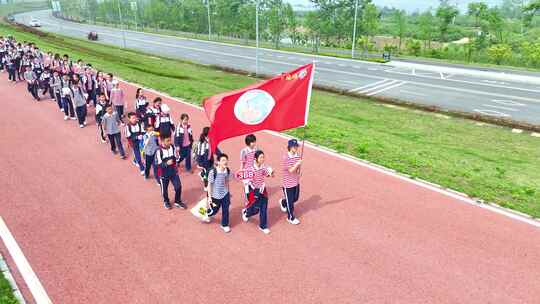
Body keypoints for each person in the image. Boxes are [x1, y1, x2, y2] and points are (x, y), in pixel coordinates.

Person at [242, 150, 274, 234]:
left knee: (264, 207)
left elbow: (267, 174)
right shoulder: (250, 169)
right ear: (255, 159)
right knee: (255, 210)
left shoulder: (263, 166)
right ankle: (246, 212)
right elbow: (245, 181)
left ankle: (263, 226)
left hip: (262, 190)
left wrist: (271, 173)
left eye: (263, 157)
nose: (263, 159)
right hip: (253, 190)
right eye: (261, 157)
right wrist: (249, 186)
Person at [156, 135, 186, 210]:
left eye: (170, 140)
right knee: (164, 190)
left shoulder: (172, 147)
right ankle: (166, 201)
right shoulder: (158, 151)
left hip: (173, 171)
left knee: (178, 186)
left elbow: (176, 157)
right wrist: (166, 163)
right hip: (163, 174)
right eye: (167, 141)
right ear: (162, 141)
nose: (170, 142)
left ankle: (177, 201)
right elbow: (158, 164)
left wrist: (178, 157)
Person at [205, 153, 232, 233]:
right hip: (215, 195)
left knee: (226, 209)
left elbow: (226, 181)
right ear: (218, 162)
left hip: (224, 193)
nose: (225, 162)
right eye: (223, 160)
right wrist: (210, 197)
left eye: (226, 160)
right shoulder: (213, 172)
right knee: (214, 210)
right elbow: (209, 185)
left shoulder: (227, 170)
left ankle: (224, 224)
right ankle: (207, 214)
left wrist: (228, 192)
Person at [279, 139, 303, 225]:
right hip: (288, 184)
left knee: (295, 198)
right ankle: (290, 217)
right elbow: (291, 170)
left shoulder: (298, 156)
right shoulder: (286, 158)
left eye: (297, 146)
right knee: (290, 203)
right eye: (294, 146)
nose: (296, 148)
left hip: (296, 182)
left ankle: (283, 202)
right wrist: (297, 164)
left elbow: (296, 170)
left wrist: (299, 172)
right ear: (290, 147)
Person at [194, 127, 213, 191]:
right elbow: (201, 155)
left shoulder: (209, 140)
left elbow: (214, 148)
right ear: (207, 134)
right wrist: (203, 164)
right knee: (207, 174)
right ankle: (206, 185)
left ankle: (202, 174)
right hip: (204, 161)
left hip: (208, 159)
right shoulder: (203, 144)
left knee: (207, 172)